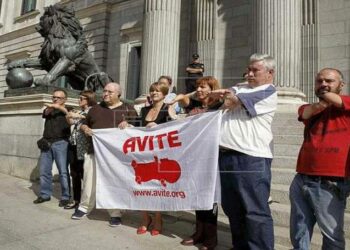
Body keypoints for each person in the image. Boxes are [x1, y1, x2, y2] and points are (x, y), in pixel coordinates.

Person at [211, 53, 277, 250]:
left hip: (250, 157)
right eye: (248, 70)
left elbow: (229, 101)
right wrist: (227, 93)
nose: (249, 74)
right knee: (233, 208)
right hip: (226, 156)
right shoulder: (242, 88)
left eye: (254, 70)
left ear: (270, 73)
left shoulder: (267, 91)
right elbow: (220, 98)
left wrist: (226, 94)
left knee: (255, 210)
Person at [289, 68, 350, 250]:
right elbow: (306, 113)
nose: (323, 84)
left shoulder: (347, 103)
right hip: (301, 178)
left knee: (332, 235)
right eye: (319, 81)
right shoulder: (308, 108)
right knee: (299, 230)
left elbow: (336, 101)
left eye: (329, 81)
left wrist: (326, 99)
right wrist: (322, 102)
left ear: (342, 85)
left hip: (331, 180)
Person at [71, 82, 137, 227]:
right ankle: (84, 208)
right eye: (104, 91)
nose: (105, 94)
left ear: (119, 94)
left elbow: (138, 131)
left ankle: (115, 213)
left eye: (109, 92)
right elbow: (82, 123)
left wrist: (129, 125)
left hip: (116, 156)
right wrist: (85, 127)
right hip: (93, 151)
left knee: (113, 184)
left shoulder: (128, 109)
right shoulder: (95, 109)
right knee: (89, 181)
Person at [171, 76, 222, 250]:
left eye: (203, 87)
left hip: (211, 158)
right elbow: (182, 98)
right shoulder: (195, 106)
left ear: (212, 88)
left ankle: (211, 239)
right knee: (198, 197)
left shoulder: (219, 106)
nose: (199, 90)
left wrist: (213, 93)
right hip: (194, 158)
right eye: (197, 87)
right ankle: (198, 233)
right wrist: (186, 94)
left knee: (210, 200)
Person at [136, 81, 173, 236]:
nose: (154, 93)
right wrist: (126, 123)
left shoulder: (168, 109)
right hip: (144, 154)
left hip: (161, 154)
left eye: (158, 91)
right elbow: (136, 127)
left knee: (157, 187)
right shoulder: (144, 110)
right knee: (142, 186)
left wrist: (158, 128)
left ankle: (158, 219)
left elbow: (175, 128)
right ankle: (145, 218)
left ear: (164, 93)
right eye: (152, 91)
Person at [33, 89, 71, 207]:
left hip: (61, 143)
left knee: (63, 172)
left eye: (58, 98)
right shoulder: (49, 109)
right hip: (47, 143)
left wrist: (58, 107)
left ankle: (65, 196)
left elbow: (69, 115)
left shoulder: (68, 109)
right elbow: (46, 113)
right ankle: (45, 194)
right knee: (44, 171)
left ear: (64, 99)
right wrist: (52, 107)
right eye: (54, 97)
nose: (55, 99)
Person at [64, 90, 97, 209]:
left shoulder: (93, 110)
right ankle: (76, 199)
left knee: (86, 174)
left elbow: (92, 119)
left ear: (89, 99)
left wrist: (79, 115)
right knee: (74, 173)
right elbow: (70, 121)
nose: (79, 100)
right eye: (79, 98)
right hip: (73, 145)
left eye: (81, 98)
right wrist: (69, 115)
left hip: (86, 148)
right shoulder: (79, 111)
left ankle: (89, 200)